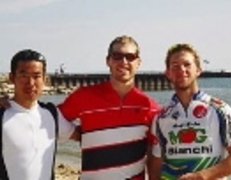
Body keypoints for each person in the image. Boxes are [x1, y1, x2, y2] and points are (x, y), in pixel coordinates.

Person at [57, 35, 160, 179]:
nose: (123, 62)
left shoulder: (151, 107)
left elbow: (155, 155)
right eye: (117, 56)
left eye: (130, 57)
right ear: (108, 61)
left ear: (138, 62)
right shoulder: (84, 96)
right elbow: (51, 118)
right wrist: (74, 133)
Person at [148, 44, 231, 180]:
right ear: (168, 73)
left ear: (198, 70)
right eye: (175, 66)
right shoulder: (161, 117)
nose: (181, 69)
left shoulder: (221, 110)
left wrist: (202, 176)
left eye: (187, 64)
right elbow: (155, 163)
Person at [0, 49, 77, 180]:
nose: (31, 83)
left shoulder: (52, 114)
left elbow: (86, 136)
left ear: (44, 79)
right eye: (24, 75)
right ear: (12, 78)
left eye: (36, 76)